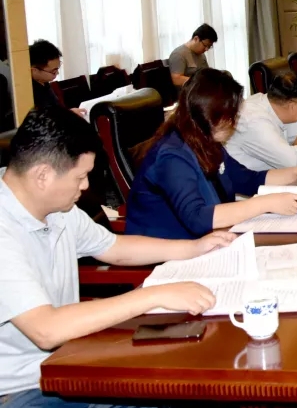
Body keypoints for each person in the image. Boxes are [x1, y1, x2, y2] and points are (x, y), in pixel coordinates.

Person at [0, 107, 238, 404]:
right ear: (43, 175)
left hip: (68, 360)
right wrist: (153, 295)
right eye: (80, 176)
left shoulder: (57, 209)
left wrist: (193, 248)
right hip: (23, 388)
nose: (85, 186)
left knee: (182, 377)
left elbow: (114, 248)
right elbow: (46, 329)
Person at [125, 69, 297, 240]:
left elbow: (247, 180)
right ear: (211, 115)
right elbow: (197, 218)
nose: (236, 123)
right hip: (171, 255)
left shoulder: (207, 142)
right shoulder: (172, 155)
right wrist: (266, 203)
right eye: (232, 116)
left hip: (210, 241)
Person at [226, 73, 297, 171]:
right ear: (292, 106)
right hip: (251, 181)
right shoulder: (254, 120)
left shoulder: (280, 110)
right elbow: (291, 163)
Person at [28, 40, 62, 109]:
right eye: (53, 72)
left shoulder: (44, 82)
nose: (57, 73)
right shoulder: (30, 93)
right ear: (35, 71)